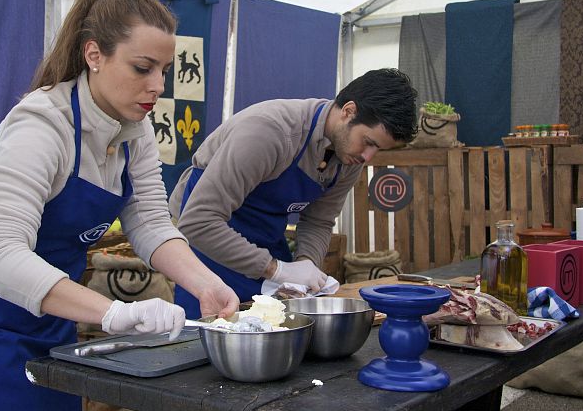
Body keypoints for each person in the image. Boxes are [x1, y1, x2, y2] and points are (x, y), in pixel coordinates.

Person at [0, 0, 239, 411]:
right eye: (142, 67)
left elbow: (151, 222)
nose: (157, 86)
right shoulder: (42, 125)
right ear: (94, 55)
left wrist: (205, 282)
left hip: (57, 309)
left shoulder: (136, 129)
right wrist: (113, 312)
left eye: (164, 71)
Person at [169, 69, 418, 318]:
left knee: (273, 329)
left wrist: (305, 265)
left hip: (265, 238)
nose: (367, 157)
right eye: (369, 141)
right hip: (209, 243)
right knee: (205, 338)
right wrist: (275, 270)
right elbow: (198, 221)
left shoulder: (349, 157)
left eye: (378, 149)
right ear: (348, 111)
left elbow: (319, 220)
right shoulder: (270, 132)